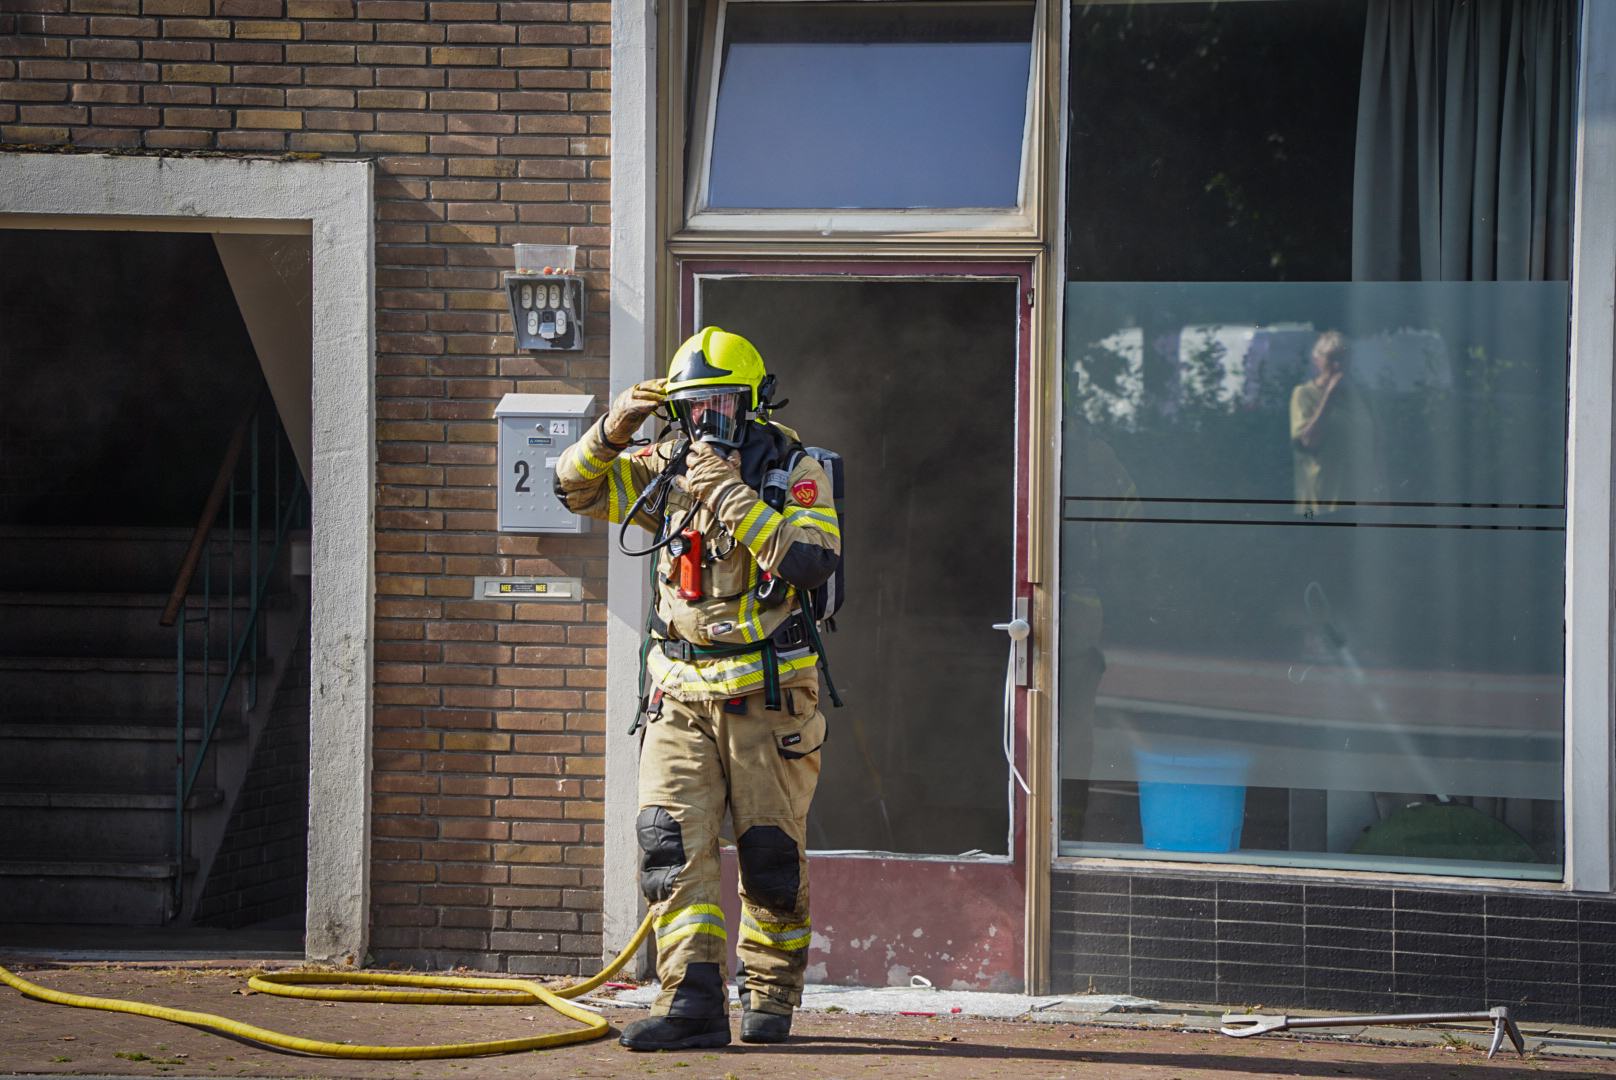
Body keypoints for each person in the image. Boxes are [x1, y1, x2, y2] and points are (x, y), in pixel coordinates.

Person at [554, 328, 841, 1052]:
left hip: (769, 700)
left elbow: (809, 559)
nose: (703, 419)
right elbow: (573, 488)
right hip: (678, 694)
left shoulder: (792, 468)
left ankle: (771, 998)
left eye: (718, 404)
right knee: (669, 847)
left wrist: (729, 492)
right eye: (690, 406)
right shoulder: (665, 467)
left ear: (749, 403)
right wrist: (613, 428)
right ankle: (691, 1004)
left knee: (770, 857)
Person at [1289, 330, 1380, 516]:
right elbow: (1308, 442)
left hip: (1362, 502)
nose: (1337, 365)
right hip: (1320, 504)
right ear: (1317, 360)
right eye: (1331, 358)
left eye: (1343, 358)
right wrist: (1328, 398)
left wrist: (1384, 497)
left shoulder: (1362, 396)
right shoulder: (1304, 394)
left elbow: (1377, 448)